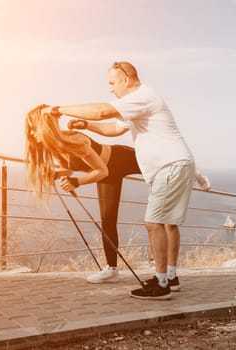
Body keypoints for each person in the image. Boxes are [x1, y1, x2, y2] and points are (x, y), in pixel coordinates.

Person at [41, 61, 201, 300]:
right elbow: (113, 129)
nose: (111, 89)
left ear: (126, 79)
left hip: (170, 166)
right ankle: (170, 277)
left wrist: (58, 110)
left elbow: (103, 110)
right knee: (167, 222)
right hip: (175, 165)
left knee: (153, 223)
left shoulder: (144, 96)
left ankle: (161, 285)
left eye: (112, 83)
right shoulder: (141, 102)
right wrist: (87, 124)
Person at [25, 104, 142, 283]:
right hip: (107, 173)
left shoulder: (74, 139)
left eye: (34, 128)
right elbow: (69, 169)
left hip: (122, 158)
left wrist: (77, 182)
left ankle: (192, 171)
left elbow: (101, 171)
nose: (32, 134)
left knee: (159, 164)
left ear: (44, 126)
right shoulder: (55, 147)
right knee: (108, 220)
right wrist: (57, 174)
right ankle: (111, 269)